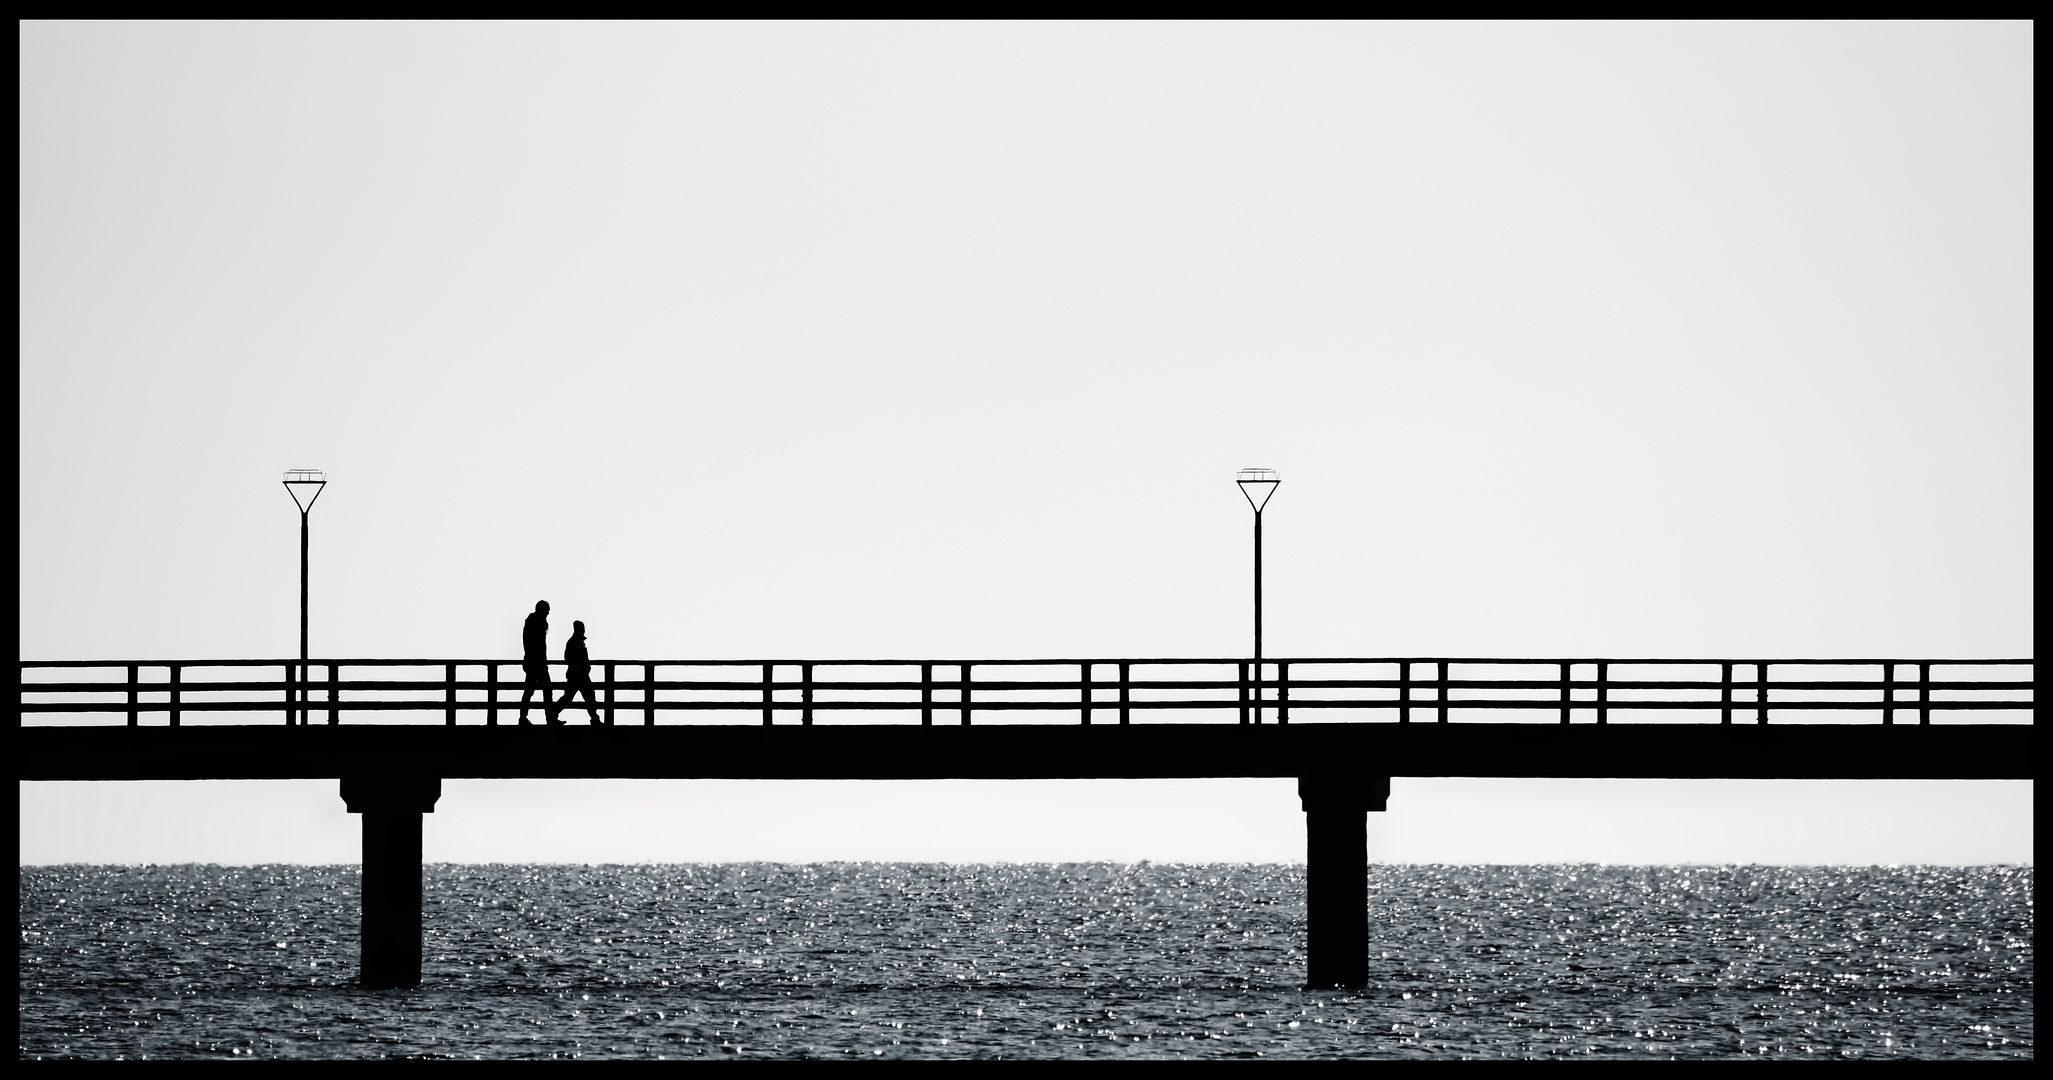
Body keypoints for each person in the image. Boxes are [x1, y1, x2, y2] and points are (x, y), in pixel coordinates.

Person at [556, 620, 603, 725]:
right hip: (579, 675)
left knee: (572, 697)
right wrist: (579, 666)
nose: (583, 630)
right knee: (587, 696)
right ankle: (595, 719)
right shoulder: (575, 642)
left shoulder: (574, 641)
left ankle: (552, 715)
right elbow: (568, 658)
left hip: (577, 675)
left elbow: (567, 658)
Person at [519, 600, 555, 725]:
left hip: (533, 662)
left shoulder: (532, 621)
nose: (548, 613)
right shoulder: (536, 623)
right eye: (547, 610)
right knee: (545, 690)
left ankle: (523, 718)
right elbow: (535, 644)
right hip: (537, 663)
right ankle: (549, 719)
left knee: (530, 691)